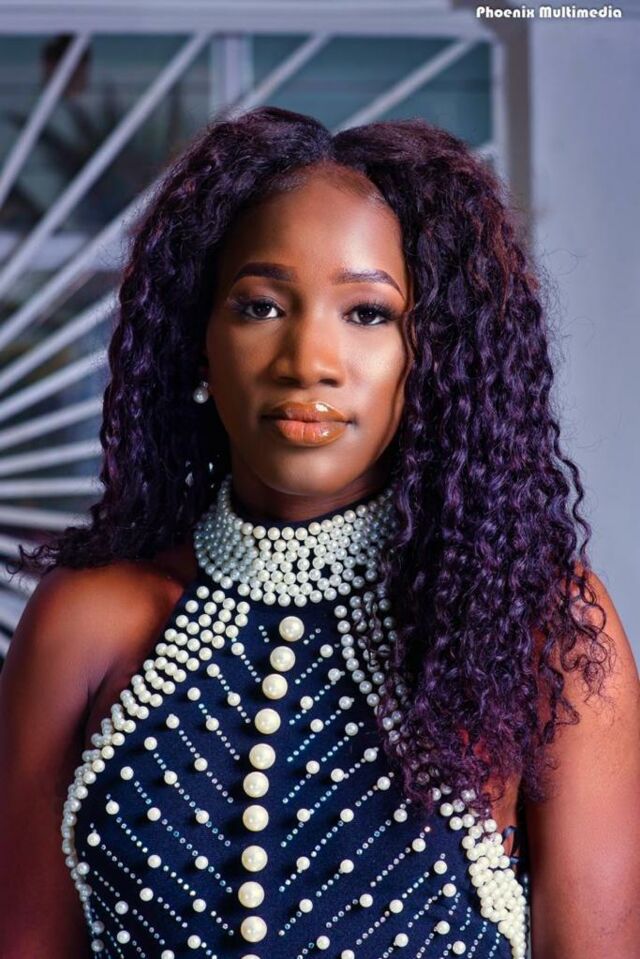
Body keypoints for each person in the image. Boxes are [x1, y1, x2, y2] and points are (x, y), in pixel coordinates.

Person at [0, 106, 637, 959]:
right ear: (199, 341)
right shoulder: (82, 620)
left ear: (434, 352)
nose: (307, 360)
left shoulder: (538, 624)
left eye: (367, 313)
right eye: (260, 306)